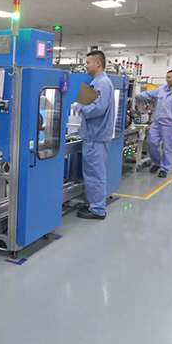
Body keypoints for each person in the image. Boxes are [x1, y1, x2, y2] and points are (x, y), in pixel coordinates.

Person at [72, 51, 115, 220]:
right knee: (93, 173)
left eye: (88, 62)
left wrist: (79, 107)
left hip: (96, 136)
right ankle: (94, 204)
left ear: (98, 63)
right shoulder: (98, 82)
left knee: (95, 174)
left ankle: (97, 210)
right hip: (94, 135)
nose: (85, 65)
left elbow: (98, 108)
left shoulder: (102, 83)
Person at [136, 69, 172, 178]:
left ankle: (164, 168)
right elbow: (148, 94)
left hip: (170, 124)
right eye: (166, 77)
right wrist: (133, 94)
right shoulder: (161, 89)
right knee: (151, 143)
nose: (167, 79)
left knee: (167, 148)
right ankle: (157, 162)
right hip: (157, 123)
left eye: (169, 77)